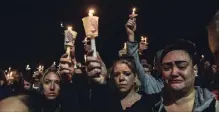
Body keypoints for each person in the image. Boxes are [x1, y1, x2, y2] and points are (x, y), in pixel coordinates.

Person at [151, 39, 218, 112]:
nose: (174, 73)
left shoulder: (215, 107)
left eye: (182, 66)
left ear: (195, 69)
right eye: (167, 68)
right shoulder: (148, 105)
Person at [85, 50, 157, 111]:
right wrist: (102, 80)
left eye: (127, 74)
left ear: (135, 77)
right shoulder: (108, 101)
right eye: (116, 75)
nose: (121, 78)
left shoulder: (148, 103)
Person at [125, 18, 163, 94]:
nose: (174, 71)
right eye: (166, 66)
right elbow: (134, 62)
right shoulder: (150, 83)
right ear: (157, 66)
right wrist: (131, 35)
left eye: (181, 66)